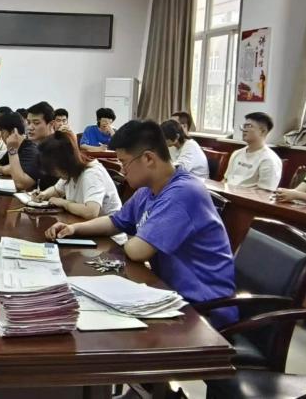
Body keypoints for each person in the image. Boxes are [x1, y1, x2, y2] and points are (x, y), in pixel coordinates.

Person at [45, 120, 238, 328]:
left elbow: (138, 251)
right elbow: (115, 221)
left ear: (148, 158)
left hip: (203, 310)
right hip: (168, 294)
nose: (122, 169)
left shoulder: (183, 193)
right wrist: (73, 228)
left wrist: (133, 239)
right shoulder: (148, 190)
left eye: (124, 162)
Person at [34, 132, 122, 218]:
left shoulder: (91, 174)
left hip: (108, 225)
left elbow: (91, 212)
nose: (54, 174)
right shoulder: (69, 173)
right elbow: (57, 190)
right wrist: (43, 194)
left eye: (54, 169)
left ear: (64, 162)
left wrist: (64, 203)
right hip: (85, 223)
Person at [0, 111, 58, 191]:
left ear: (13, 132)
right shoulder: (16, 146)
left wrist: (12, 151)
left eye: (3, 132)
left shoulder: (30, 150)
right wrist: (4, 168)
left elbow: (21, 184)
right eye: (28, 123)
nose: (30, 128)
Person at [224, 112, 282, 191]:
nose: (244, 130)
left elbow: (265, 193)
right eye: (244, 126)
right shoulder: (237, 153)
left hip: (244, 198)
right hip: (226, 194)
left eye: (249, 126)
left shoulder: (269, 160)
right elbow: (225, 180)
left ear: (263, 131)